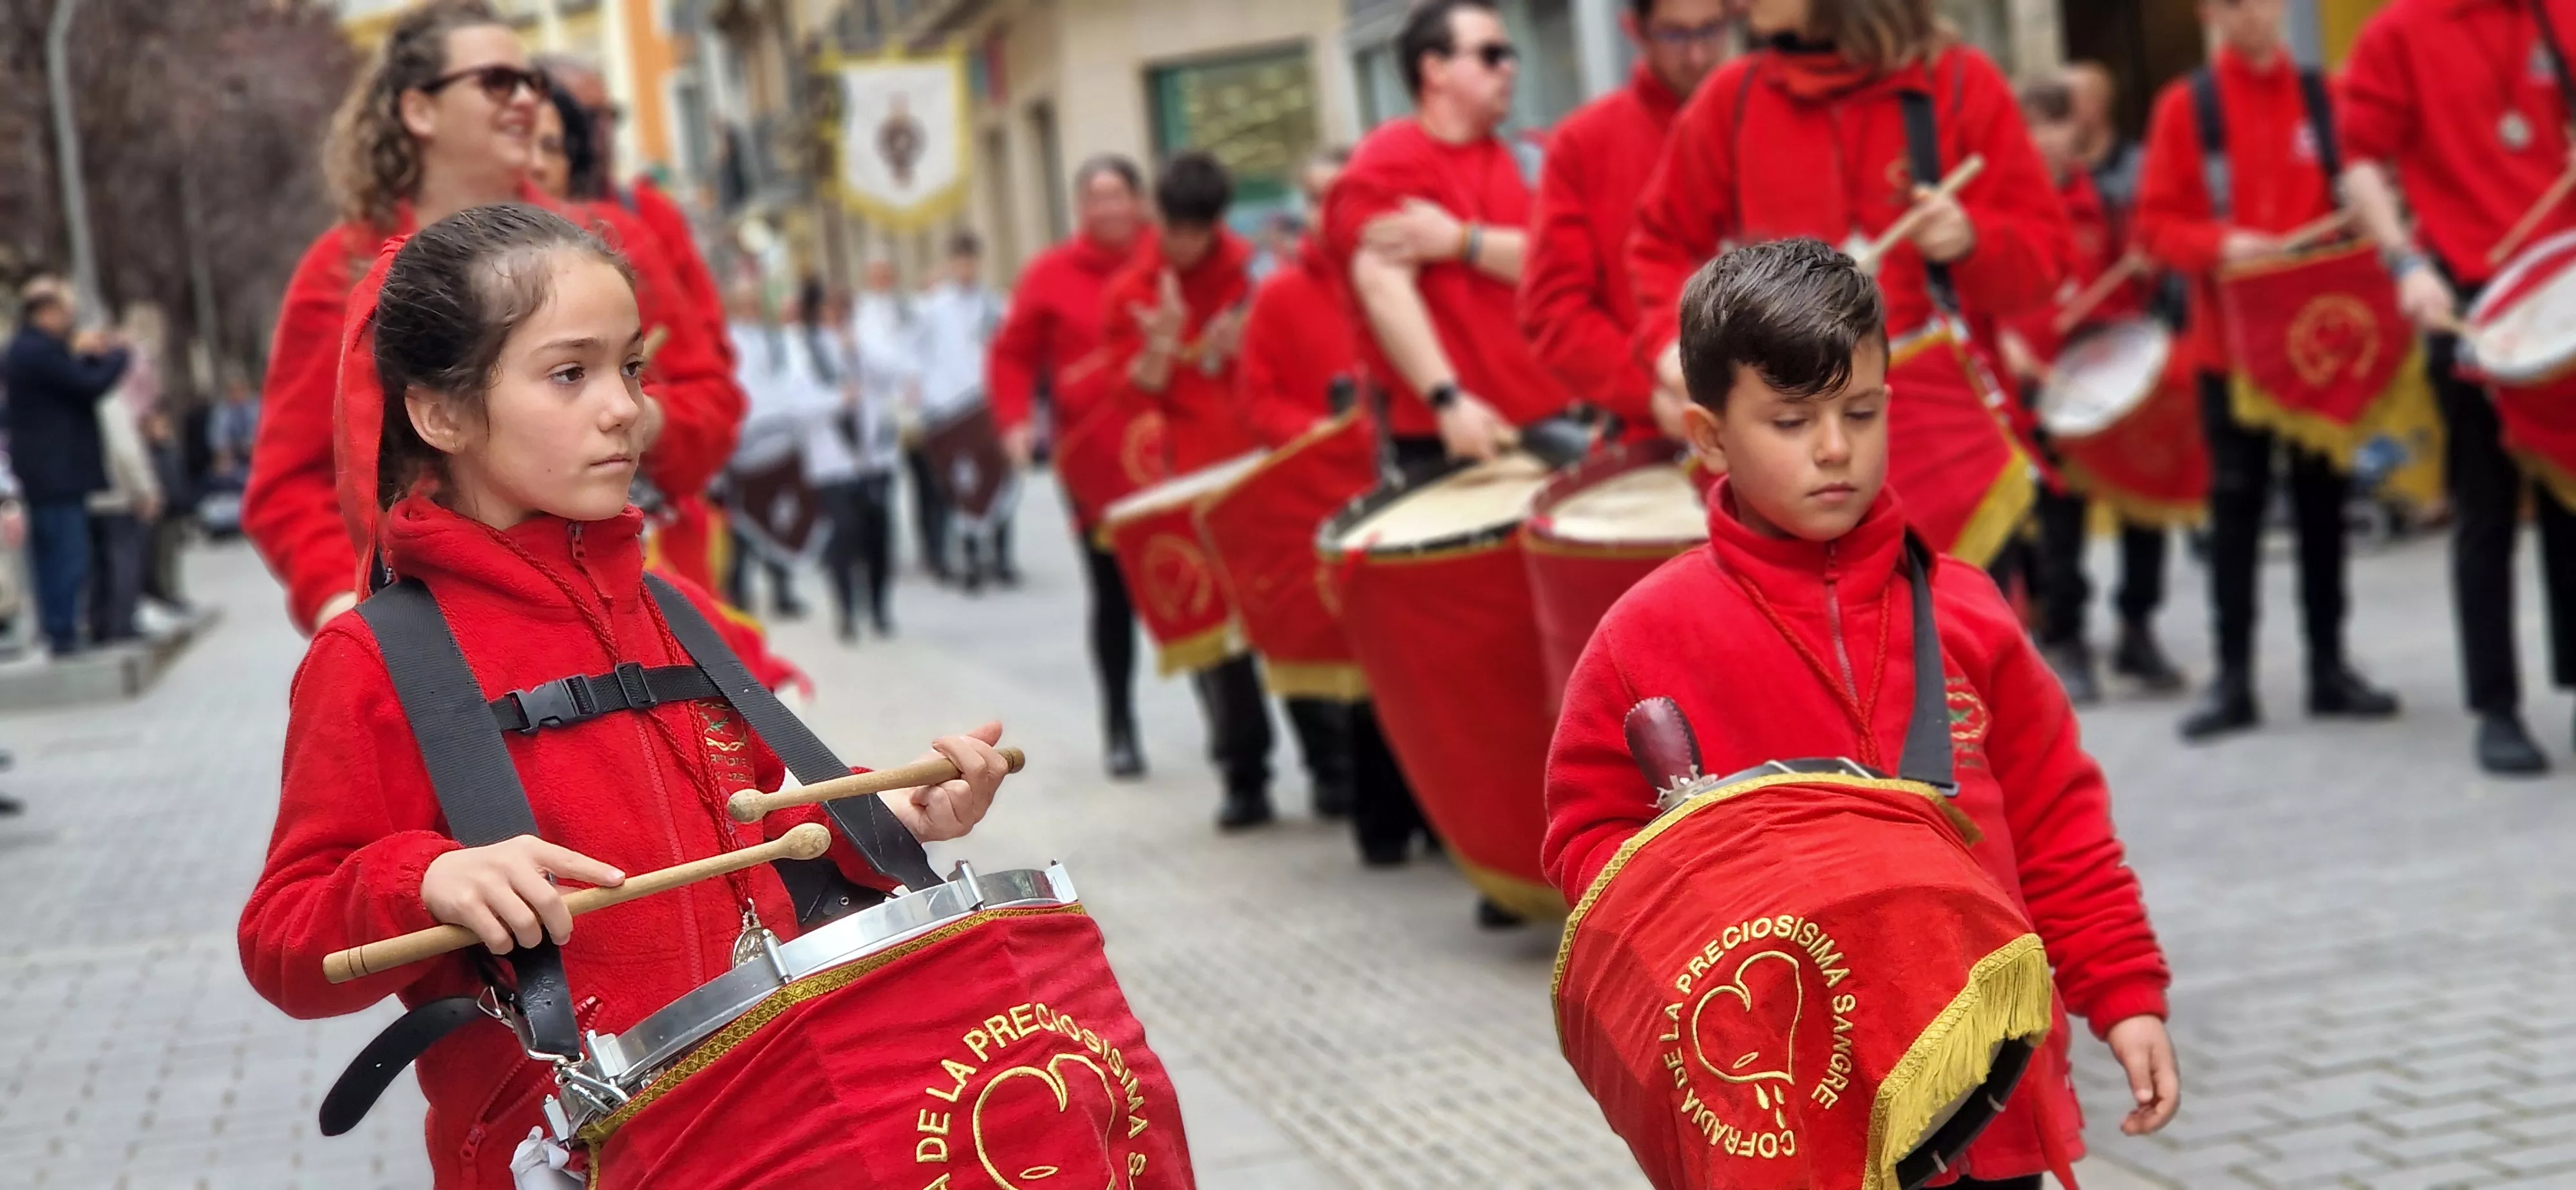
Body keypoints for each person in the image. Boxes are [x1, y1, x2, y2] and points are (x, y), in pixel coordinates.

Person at [237, 203, 1012, 1190]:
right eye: (572, 374)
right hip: (572, 1155)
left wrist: (889, 812)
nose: (626, 409)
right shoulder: (376, 659)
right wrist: (423, 881)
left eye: (631, 369)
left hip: (780, 1125)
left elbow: (763, 837)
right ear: (440, 412)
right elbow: (283, 940)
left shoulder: (679, 610)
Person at [1542, 240, 2179, 1188]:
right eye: (1791, 421)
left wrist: (2126, 994)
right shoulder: (1647, 633)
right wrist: (1696, 881)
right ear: (1709, 436)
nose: (1835, 448)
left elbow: (2059, 827)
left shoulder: (1968, 610)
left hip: (1988, 1089)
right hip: (1803, 1111)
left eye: (1862, 412)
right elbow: (1586, 838)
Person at [244, 0, 744, 635]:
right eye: (495, 82)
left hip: (627, 610)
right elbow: (288, 484)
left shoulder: (607, 243)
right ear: (418, 109)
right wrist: (344, 605)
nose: (527, 100)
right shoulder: (343, 270)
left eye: (532, 81)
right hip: (439, 632)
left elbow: (714, 407)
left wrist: (628, 411)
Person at [1627, 0, 2072, 566]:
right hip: (1786, 451)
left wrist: (1971, 239)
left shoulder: (1957, 82)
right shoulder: (1731, 99)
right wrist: (1675, 348)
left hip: (1940, 444)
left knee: (1953, 650)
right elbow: (1658, 245)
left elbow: (2048, 262)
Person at [2134, 0, 2400, 741]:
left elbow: (2371, 188)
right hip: (2231, 349)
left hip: (2316, 347)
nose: (2255, 15)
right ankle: (2234, 677)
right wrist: (2222, 244)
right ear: (2211, 13)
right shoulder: (2187, 107)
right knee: (2236, 511)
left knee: (2324, 503)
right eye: (2236, 3)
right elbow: (2154, 225)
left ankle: (2327, 666)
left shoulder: (2326, 95)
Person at [2342, 0, 2576, 774]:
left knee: (2571, 500)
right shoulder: (2398, 31)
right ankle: (2496, 706)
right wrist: (2404, 262)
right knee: (2485, 508)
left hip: (2563, 290)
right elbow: (2362, 162)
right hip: (2468, 295)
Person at [1237, 146, 1426, 856]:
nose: (1329, 214)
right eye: (1315, 198)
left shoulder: (1406, 279)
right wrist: (1320, 435)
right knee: (1360, 668)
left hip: (1412, 485)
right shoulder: (1281, 296)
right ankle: (1377, 820)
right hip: (1330, 500)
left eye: (1337, 196)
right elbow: (1258, 401)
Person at [1100, 151, 1275, 829]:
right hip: (1188, 479)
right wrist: (1165, 343)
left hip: (1261, 466)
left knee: (1285, 618)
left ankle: (1332, 770)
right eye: (1173, 230)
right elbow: (1130, 391)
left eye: (1196, 234)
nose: (1183, 246)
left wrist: (1247, 346)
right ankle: (1243, 774)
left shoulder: (1253, 274)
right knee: (1216, 636)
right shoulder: (1134, 289)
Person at [1329, 0, 1573, 469]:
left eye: (1510, 53)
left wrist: (1461, 242)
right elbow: (1381, 283)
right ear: (1435, 69)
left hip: (1555, 412)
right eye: (1490, 54)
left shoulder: (1526, 156)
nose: (1509, 67)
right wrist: (1447, 399)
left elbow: (1558, 263)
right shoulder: (1388, 158)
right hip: (1448, 432)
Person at [2002, 74, 2181, 703]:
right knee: (2059, 521)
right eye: (2030, 126)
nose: (2043, 140)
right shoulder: (2003, 216)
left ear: (2074, 131)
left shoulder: (2105, 205)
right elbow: (1985, 301)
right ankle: (2068, 636)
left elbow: (2135, 286)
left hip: (2101, 373)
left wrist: (2150, 266)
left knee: (2143, 505)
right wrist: (2006, 342)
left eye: (2054, 124)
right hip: (2042, 385)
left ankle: (2137, 625)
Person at [989, 155, 1149, 777]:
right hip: (1095, 466)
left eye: (1119, 196)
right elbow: (1013, 356)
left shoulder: (1168, 260)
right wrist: (1015, 422)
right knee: (1114, 595)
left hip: (1171, 458)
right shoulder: (1050, 274)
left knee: (1197, 594)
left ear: (1138, 202)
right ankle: (1121, 726)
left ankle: (1236, 746)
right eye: (1095, 199)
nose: (1108, 209)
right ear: (1081, 208)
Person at [1519, 0, 1732, 440]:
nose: (1697, 55)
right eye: (1675, 34)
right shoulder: (1582, 143)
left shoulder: (1763, 117)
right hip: (1653, 433)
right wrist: (1651, 394)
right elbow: (1554, 312)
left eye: (1710, 30)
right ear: (1636, 30)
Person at [3, 280, 128, 657]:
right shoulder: (38, 351)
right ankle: (63, 633)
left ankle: (60, 629)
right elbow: (87, 384)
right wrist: (116, 355)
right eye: (64, 313)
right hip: (56, 472)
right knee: (67, 555)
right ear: (45, 312)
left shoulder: (27, 350)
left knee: (51, 556)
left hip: (44, 472)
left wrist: (85, 354)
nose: (70, 322)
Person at [911, 231, 1016, 589]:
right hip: (950, 408)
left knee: (1000, 479)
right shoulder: (931, 308)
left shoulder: (996, 304)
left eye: (971, 262)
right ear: (950, 265)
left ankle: (1002, 556)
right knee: (963, 483)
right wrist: (921, 394)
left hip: (988, 404)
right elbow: (915, 354)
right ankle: (969, 557)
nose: (966, 269)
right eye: (959, 262)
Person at [810, 278, 898, 639]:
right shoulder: (808, 349)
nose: (838, 317)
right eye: (832, 310)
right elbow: (796, 400)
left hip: (874, 458)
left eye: (844, 310)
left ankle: (878, 607)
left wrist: (857, 348)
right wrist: (835, 400)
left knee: (879, 536)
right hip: (834, 463)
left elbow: (895, 371)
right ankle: (846, 611)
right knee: (844, 535)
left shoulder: (866, 342)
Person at [719, 279, 813, 619]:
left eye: (754, 302)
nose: (751, 309)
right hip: (744, 442)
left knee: (780, 515)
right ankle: (737, 592)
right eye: (744, 303)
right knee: (742, 520)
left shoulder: (774, 339)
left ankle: (782, 590)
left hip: (779, 437)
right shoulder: (726, 341)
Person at [90, 363, 163, 645]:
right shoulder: (111, 400)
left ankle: (102, 623)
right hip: (119, 493)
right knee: (125, 560)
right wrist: (145, 490)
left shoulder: (80, 397)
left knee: (101, 564)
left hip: (92, 494)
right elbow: (126, 450)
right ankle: (122, 623)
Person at [206, 375, 260, 493]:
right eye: (233, 391)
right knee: (222, 473)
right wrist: (223, 456)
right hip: (233, 457)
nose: (237, 395)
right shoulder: (222, 411)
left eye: (240, 390)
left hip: (254, 453)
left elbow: (259, 432)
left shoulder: (255, 406)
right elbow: (218, 438)